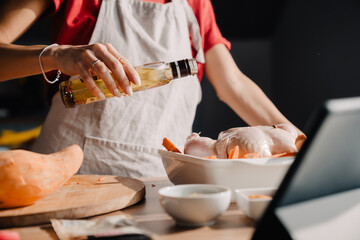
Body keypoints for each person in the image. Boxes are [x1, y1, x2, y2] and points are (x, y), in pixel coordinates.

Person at [0, 0, 304, 177]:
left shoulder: (194, 4)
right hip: (71, 181)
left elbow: (233, 84)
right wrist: (58, 54)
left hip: (161, 187)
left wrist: (300, 143)